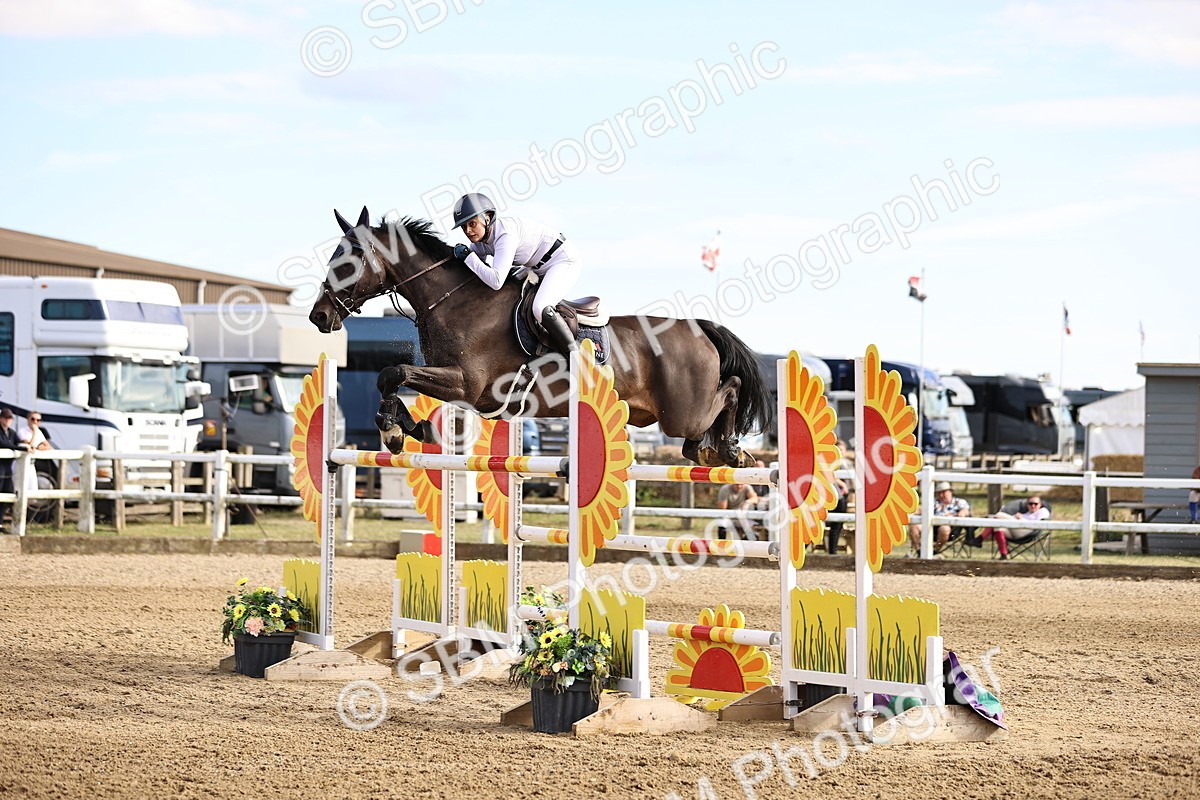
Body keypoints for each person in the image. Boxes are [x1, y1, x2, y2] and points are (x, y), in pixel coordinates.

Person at [451, 193, 583, 358]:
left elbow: (496, 281)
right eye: (464, 227)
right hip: (537, 268)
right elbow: (475, 268)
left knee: (539, 307)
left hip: (562, 260)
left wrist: (468, 257)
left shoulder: (504, 235)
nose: (468, 231)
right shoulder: (483, 240)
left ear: (487, 218)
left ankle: (576, 356)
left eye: (472, 224)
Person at [908, 481, 970, 554]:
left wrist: (962, 512)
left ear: (950, 492)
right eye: (938, 493)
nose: (941, 495)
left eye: (943, 492)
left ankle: (934, 551)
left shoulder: (959, 502)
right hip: (931, 528)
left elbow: (965, 510)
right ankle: (919, 550)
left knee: (944, 528)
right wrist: (910, 511)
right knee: (914, 526)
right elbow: (920, 509)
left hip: (951, 530)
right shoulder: (934, 502)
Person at [980, 495, 1049, 560]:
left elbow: (1037, 524)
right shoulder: (1025, 514)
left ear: (1040, 505)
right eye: (1030, 504)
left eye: (1035, 504)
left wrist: (1021, 520)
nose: (1033, 506)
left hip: (1029, 532)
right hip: (1016, 531)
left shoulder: (1042, 511)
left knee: (999, 515)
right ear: (1027, 505)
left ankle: (980, 538)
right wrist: (1017, 517)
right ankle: (1003, 555)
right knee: (997, 527)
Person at [0, 408, 27, 533]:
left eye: (10, 418)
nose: (8, 420)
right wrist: (18, 448)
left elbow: (18, 442)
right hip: (1, 467)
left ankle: (0, 522)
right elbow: (3, 444)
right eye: (5, 418)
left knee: (7, 494)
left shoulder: (11, 432)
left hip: (7, 469)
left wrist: (26, 446)